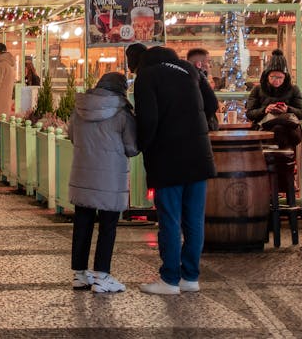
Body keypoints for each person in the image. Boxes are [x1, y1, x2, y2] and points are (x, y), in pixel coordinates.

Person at [133, 46, 216, 295]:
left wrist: (143, 145)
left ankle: (169, 279)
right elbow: (211, 103)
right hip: (199, 155)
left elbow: (147, 119)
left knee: (169, 218)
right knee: (194, 219)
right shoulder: (188, 69)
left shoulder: (147, 76)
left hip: (168, 156)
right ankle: (190, 277)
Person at [68, 72, 139, 294]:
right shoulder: (122, 113)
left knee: (82, 224)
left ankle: (79, 275)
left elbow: (71, 136)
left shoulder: (79, 109)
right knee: (107, 226)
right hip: (110, 177)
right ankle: (102, 276)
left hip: (82, 175)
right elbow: (132, 147)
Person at [245, 64, 302, 148]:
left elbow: (301, 113)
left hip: (288, 129)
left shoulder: (293, 89)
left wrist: (287, 109)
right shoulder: (258, 89)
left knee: (279, 129)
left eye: (280, 78)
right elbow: (250, 113)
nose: (276, 81)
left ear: (285, 77)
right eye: (273, 77)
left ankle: (275, 156)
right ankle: (281, 157)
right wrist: (265, 110)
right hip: (264, 128)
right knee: (278, 130)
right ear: (267, 76)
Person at [184, 48, 220, 131]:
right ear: (198, 64)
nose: (209, 65)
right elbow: (212, 103)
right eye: (208, 62)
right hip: (202, 126)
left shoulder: (181, 77)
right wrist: (202, 119)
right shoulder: (199, 77)